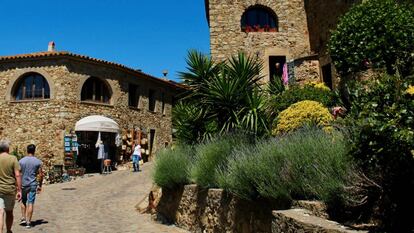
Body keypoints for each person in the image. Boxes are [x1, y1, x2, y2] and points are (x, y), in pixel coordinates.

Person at [0, 140, 22, 233]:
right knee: (9, 212)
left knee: (0, 212)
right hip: (9, 189)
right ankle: (8, 230)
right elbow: (17, 175)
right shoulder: (13, 158)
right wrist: (19, 190)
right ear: (8, 149)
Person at [19, 144, 43, 229]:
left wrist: (18, 186)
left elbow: (19, 174)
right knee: (31, 202)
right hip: (32, 184)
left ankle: (23, 218)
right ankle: (29, 222)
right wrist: (40, 185)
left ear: (27, 150)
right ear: (34, 150)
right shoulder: (38, 162)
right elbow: (40, 175)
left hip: (23, 184)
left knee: (23, 201)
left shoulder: (21, 161)